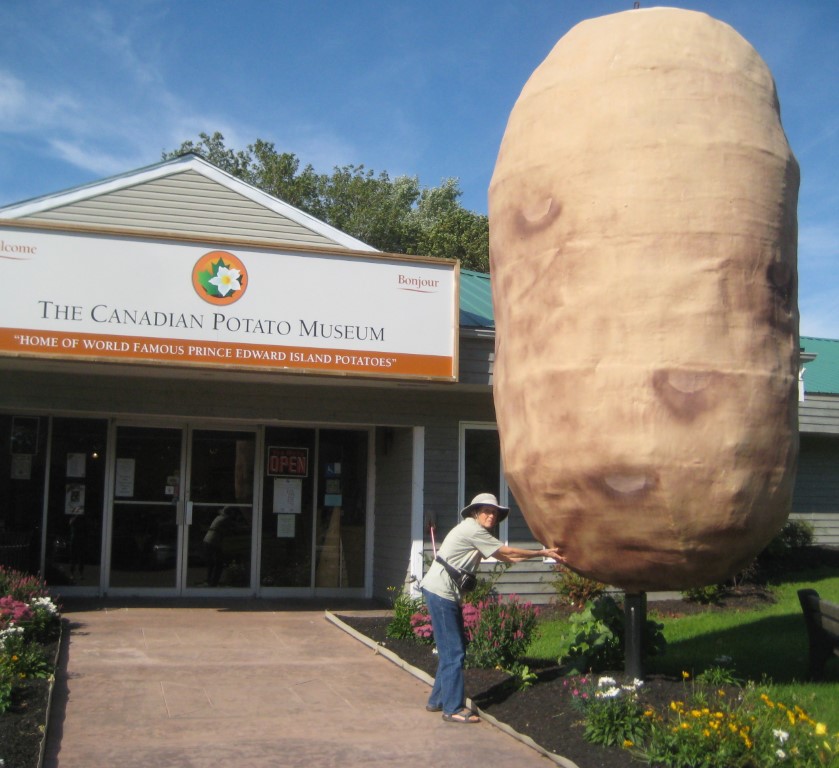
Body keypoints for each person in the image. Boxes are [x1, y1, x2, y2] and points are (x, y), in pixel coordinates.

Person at [420, 492, 566, 724]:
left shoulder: (476, 533)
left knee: (452, 650)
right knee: (454, 652)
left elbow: (506, 558)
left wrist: (541, 556)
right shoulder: (473, 530)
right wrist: (541, 551)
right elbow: (507, 552)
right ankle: (452, 708)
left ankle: (438, 700)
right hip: (441, 592)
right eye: (487, 511)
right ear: (476, 512)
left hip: (443, 592)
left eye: (495, 512)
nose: (491, 515)